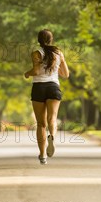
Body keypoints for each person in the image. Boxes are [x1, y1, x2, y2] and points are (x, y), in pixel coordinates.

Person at [24, 29, 70, 164]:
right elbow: (65, 74)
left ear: (39, 40)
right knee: (52, 119)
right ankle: (52, 137)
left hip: (39, 88)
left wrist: (27, 73)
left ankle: (43, 154)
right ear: (51, 39)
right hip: (53, 87)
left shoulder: (36, 53)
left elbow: (36, 71)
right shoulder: (59, 53)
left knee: (41, 124)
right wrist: (56, 67)